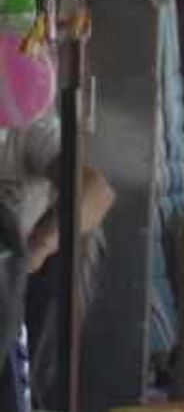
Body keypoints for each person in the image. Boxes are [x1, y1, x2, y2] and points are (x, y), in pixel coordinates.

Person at [0, 111, 115, 412]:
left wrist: (41, 246)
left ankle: (31, 397)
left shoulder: (27, 126)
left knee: (77, 245)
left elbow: (96, 192)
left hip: (23, 273)